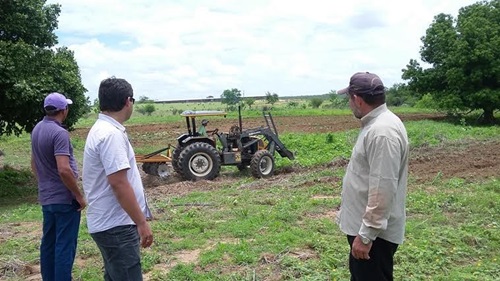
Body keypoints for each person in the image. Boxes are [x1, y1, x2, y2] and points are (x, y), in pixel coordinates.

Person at [336, 72, 409, 281]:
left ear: (357, 99)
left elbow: (383, 188)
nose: (350, 104)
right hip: (367, 231)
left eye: (350, 99)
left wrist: (366, 235)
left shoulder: (382, 132)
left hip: (374, 237)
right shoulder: (377, 125)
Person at [82, 77, 153, 280]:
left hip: (111, 224)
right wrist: (141, 222)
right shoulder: (110, 135)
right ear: (127, 101)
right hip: (117, 226)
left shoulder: (102, 129)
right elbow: (119, 183)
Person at [30, 92, 86, 281]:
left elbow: (33, 163)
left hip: (47, 198)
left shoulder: (37, 129)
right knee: (64, 245)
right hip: (64, 199)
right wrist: (78, 195)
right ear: (64, 110)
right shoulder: (59, 133)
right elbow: (64, 169)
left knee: (49, 244)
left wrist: (45, 183)